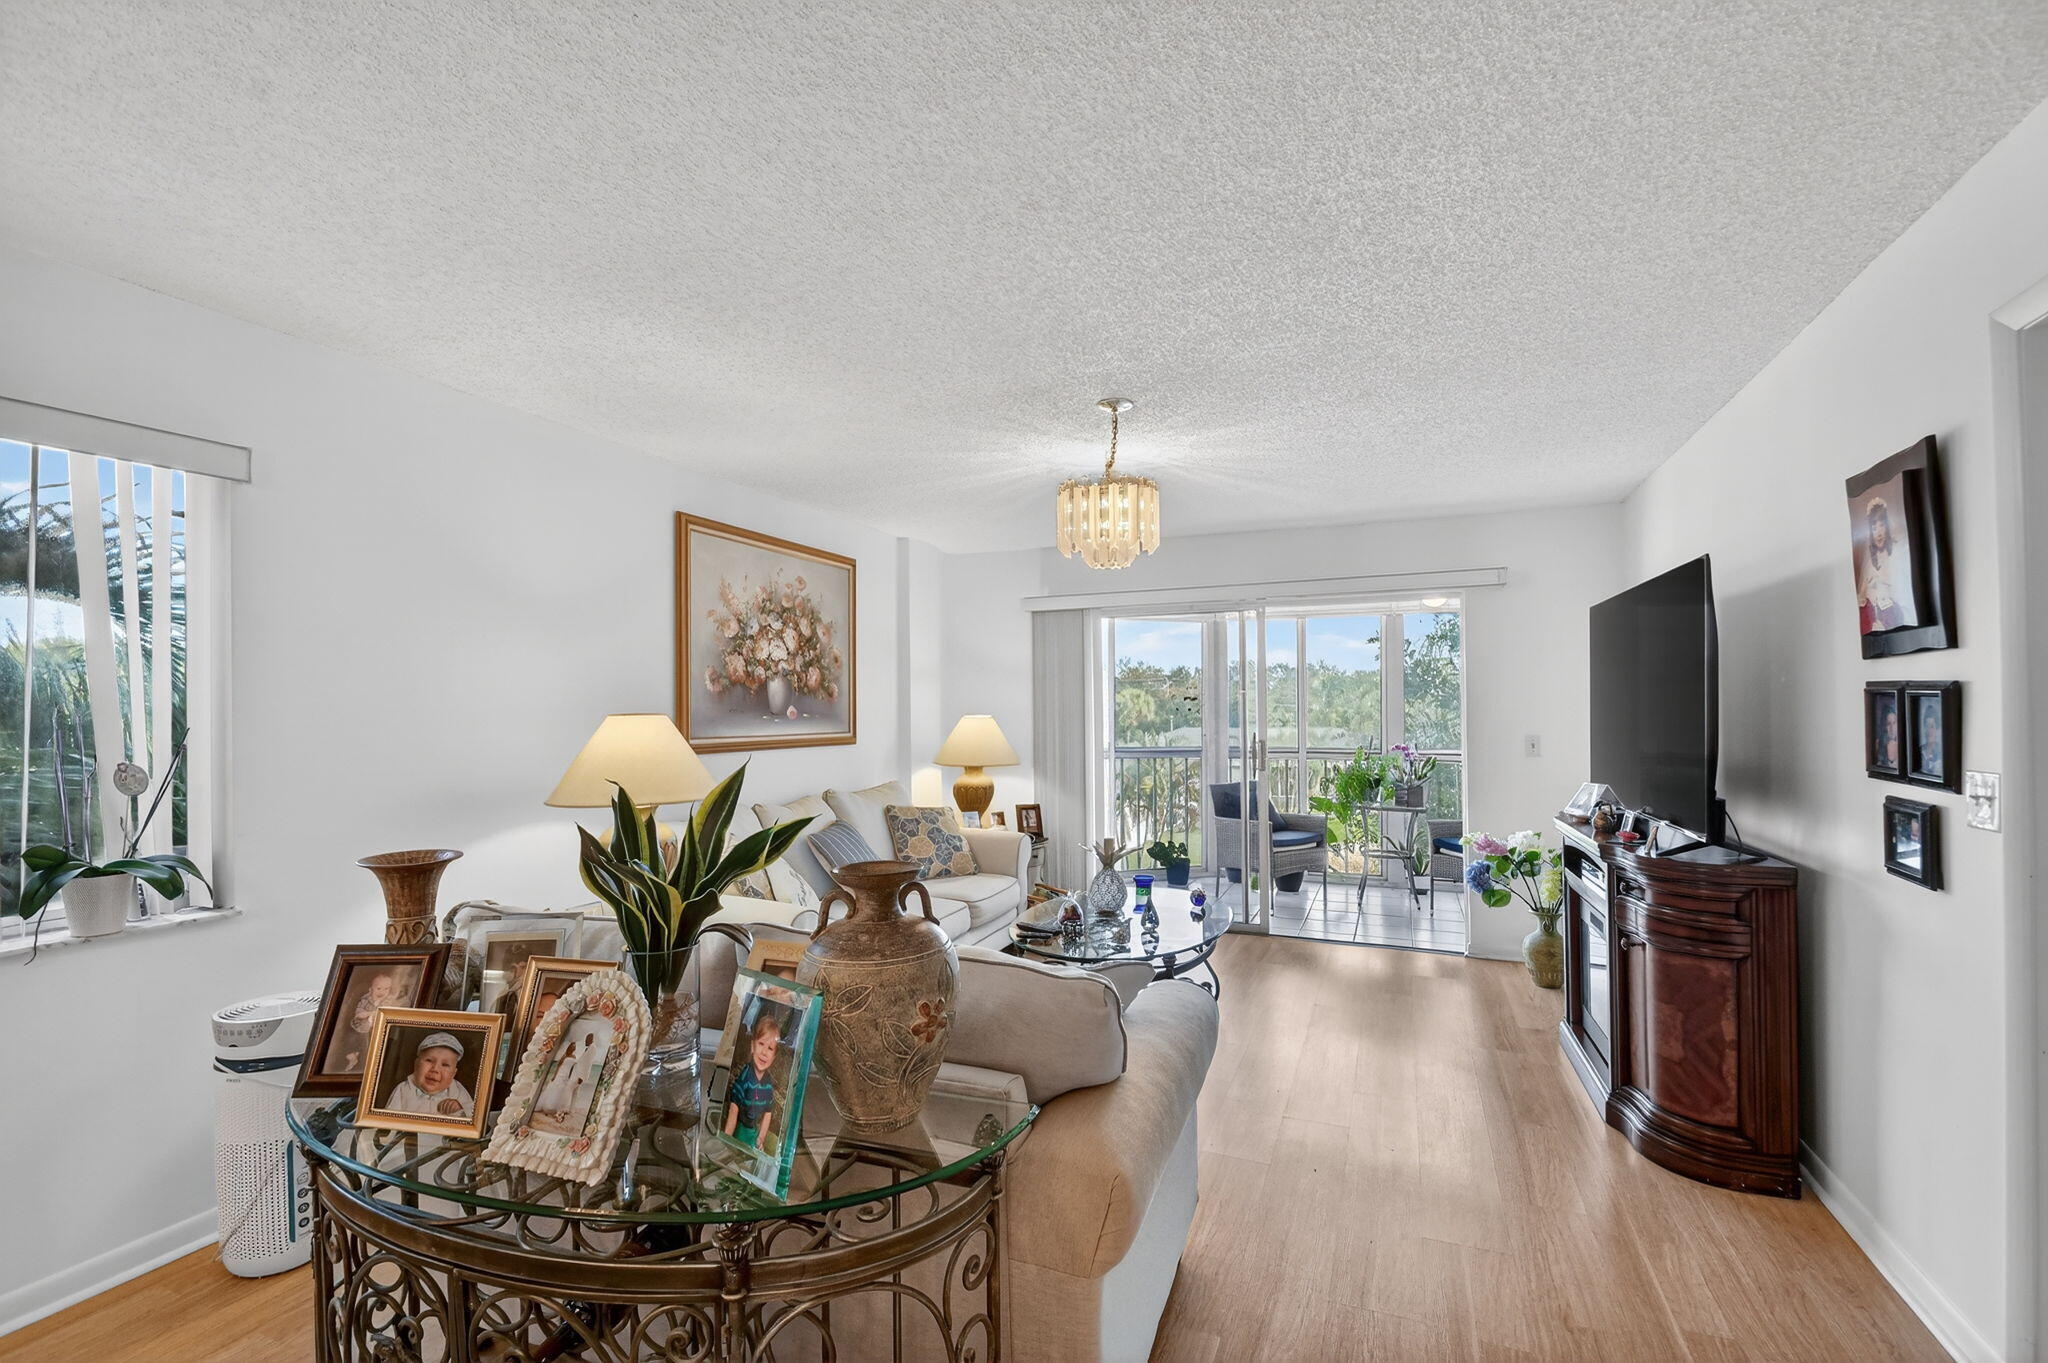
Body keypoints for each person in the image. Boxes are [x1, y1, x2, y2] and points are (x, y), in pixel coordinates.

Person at [328, 968, 411, 1074]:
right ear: (371, 988)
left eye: (386, 989)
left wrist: (373, 1015)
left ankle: (360, 1058)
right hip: (361, 1025)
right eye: (378, 988)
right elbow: (359, 1013)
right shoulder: (365, 999)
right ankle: (353, 1055)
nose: (382, 992)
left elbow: (389, 1014)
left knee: (367, 1042)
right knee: (352, 1037)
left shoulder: (389, 1001)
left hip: (377, 1028)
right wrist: (367, 1014)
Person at [722, 1011, 785, 1149]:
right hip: (740, 1134)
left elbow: (767, 1114)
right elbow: (734, 1111)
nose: (764, 1052)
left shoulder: (768, 1085)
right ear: (752, 1046)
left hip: (754, 1134)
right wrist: (725, 1140)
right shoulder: (744, 1078)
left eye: (770, 1048)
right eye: (761, 1043)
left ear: (774, 1057)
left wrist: (760, 1139)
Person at [383, 1032, 475, 1119]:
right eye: (429, 1061)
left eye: (445, 1065)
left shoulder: (457, 1091)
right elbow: (387, 1120)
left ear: (453, 1074)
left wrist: (460, 1106)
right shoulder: (403, 1089)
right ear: (416, 1065)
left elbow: (474, 1114)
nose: (435, 1069)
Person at [1857, 497, 1914, 634]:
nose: (1879, 532)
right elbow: (1864, 595)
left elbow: (1902, 591)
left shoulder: (1897, 550)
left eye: (1882, 525)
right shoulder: (1870, 556)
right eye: (1874, 528)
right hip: (1876, 615)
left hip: (1895, 613)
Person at [1918, 705, 1943, 776]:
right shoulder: (1919, 751)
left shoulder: (1942, 752)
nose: (1929, 730)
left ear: (1937, 729)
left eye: (1932, 726)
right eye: (1926, 726)